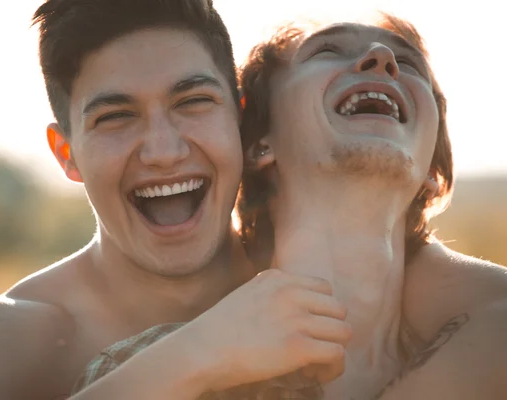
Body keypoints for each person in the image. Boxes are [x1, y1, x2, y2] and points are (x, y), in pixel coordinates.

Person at [0, 1, 351, 399]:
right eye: (116, 117)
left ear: (239, 118)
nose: (164, 152)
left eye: (193, 101)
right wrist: (200, 352)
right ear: (67, 153)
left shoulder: (341, 288)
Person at [70, 14, 507, 400]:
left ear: (433, 168)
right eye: (328, 51)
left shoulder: (487, 355)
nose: (380, 58)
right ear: (260, 143)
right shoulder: (149, 374)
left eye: (407, 64)